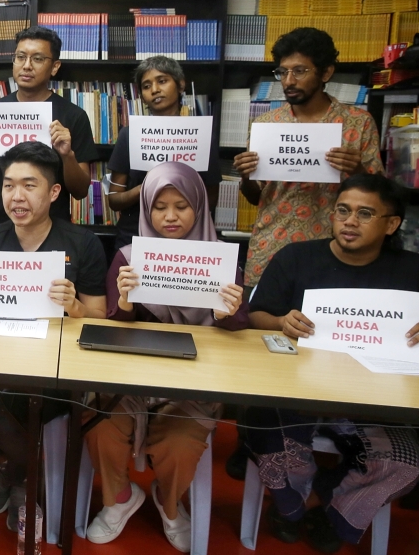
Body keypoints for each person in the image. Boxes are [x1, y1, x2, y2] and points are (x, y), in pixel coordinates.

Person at [0, 141, 107, 532]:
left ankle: (24, 481)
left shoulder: (82, 243)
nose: (17, 196)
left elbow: (99, 317)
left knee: (7, 417)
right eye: (8, 185)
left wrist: (75, 307)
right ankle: (16, 468)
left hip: (54, 368)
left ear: (53, 192)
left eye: (29, 185)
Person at [245, 174, 419, 553]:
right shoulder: (296, 257)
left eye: (365, 213)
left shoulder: (412, 271)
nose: (350, 221)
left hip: (376, 402)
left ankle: (334, 508)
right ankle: (290, 508)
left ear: (392, 224)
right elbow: (255, 315)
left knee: (407, 462)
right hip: (295, 392)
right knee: (263, 430)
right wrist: (280, 322)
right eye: (343, 210)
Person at [85, 162, 246, 551]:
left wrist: (226, 315)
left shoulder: (222, 260)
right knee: (98, 423)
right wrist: (123, 302)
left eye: (181, 206)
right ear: (145, 210)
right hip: (134, 374)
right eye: (159, 207)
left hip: (195, 380)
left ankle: (169, 502)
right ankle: (119, 498)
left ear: (199, 206)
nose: (170, 217)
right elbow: (113, 324)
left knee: (179, 441)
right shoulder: (127, 256)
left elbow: (238, 328)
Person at [233, 27, 382, 288]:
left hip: (330, 249)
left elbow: (380, 196)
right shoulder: (267, 124)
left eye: (300, 71)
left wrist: (357, 169)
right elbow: (256, 196)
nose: (288, 81)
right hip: (270, 246)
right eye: (282, 72)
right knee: (260, 320)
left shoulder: (358, 124)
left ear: (326, 72)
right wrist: (245, 175)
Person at [0, 26, 99, 227]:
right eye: (20, 57)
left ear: (55, 67)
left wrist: (67, 155)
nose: (26, 66)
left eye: (38, 59)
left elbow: (80, 191)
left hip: (51, 229)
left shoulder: (73, 115)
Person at [107, 56, 222, 249]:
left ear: (180, 85)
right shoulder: (130, 134)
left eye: (162, 81)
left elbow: (210, 199)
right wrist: (145, 188)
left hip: (189, 237)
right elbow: (114, 199)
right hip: (135, 236)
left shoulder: (199, 134)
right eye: (146, 86)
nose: (155, 90)